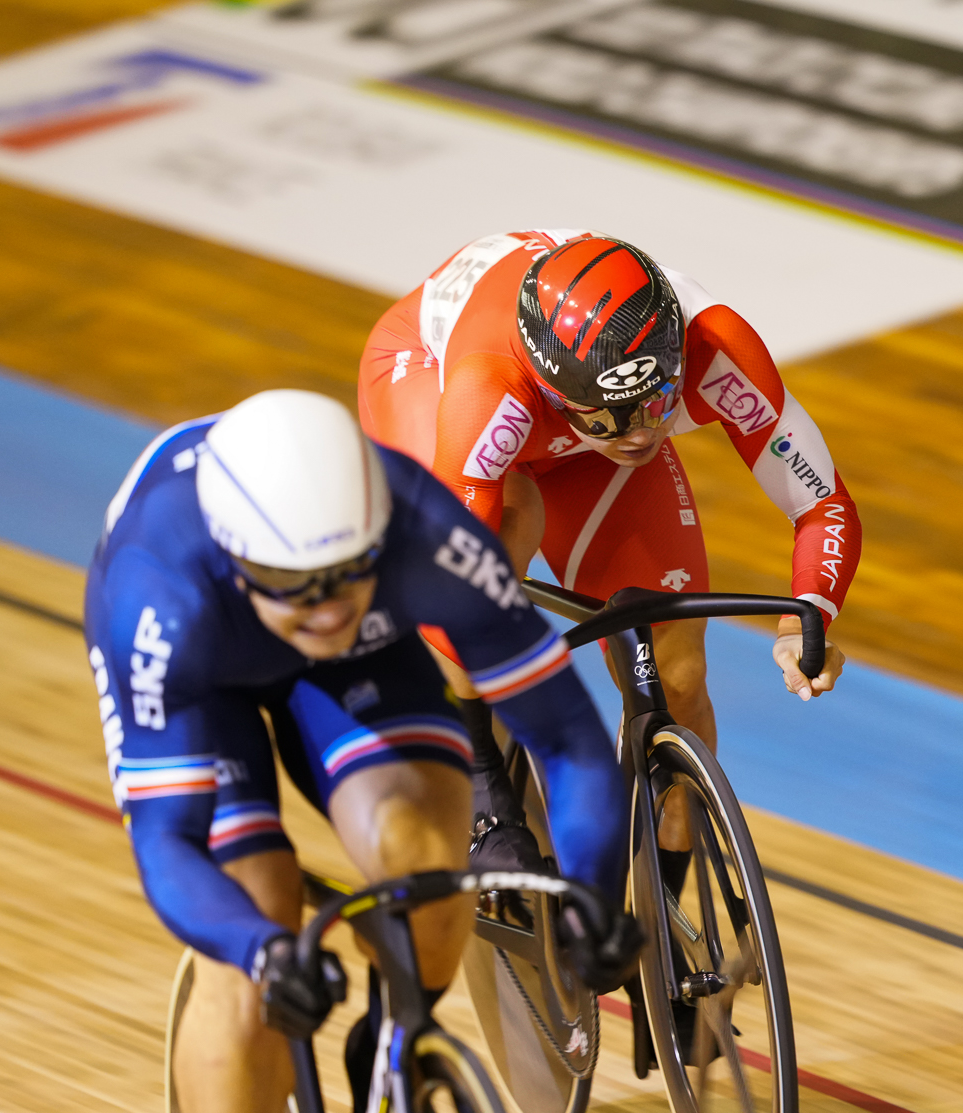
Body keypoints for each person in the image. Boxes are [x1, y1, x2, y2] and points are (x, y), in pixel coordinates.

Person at [84, 390, 640, 1113]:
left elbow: (573, 741)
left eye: (349, 572)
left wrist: (590, 891)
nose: (329, 605)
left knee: (425, 860)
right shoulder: (159, 593)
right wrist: (263, 952)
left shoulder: (422, 527)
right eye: (297, 586)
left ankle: (388, 1049)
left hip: (363, 671)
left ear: (378, 530)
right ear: (237, 558)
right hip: (205, 678)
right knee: (253, 921)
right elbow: (170, 846)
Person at [357, 229, 859, 817]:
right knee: (506, 534)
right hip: (427, 369)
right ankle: (475, 786)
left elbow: (821, 503)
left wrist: (809, 614)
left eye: (656, 402)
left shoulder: (715, 343)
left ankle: (663, 897)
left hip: (558, 424)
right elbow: (449, 575)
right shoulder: (487, 389)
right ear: (553, 395)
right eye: (607, 420)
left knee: (677, 677)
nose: (640, 434)